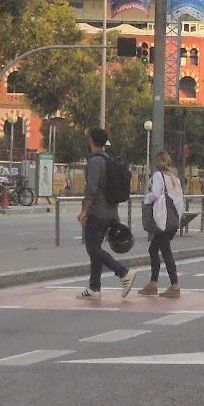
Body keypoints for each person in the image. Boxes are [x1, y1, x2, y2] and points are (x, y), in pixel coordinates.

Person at [78, 127, 134, 300]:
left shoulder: (95, 161)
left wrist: (84, 212)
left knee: (92, 248)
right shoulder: (109, 159)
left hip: (98, 212)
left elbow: (91, 189)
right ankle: (94, 287)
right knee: (95, 248)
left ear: (91, 141)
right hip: (111, 211)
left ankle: (123, 272)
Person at [139, 150, 184, 299]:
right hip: (172, 221)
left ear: (157, 162)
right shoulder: (174, 178)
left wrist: (146, 199)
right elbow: (179, 200)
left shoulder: (159, 176)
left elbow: (155, 194)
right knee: (157, 249)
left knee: (162, 251)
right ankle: (154, 283)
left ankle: (173, 285)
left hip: (162, 220)